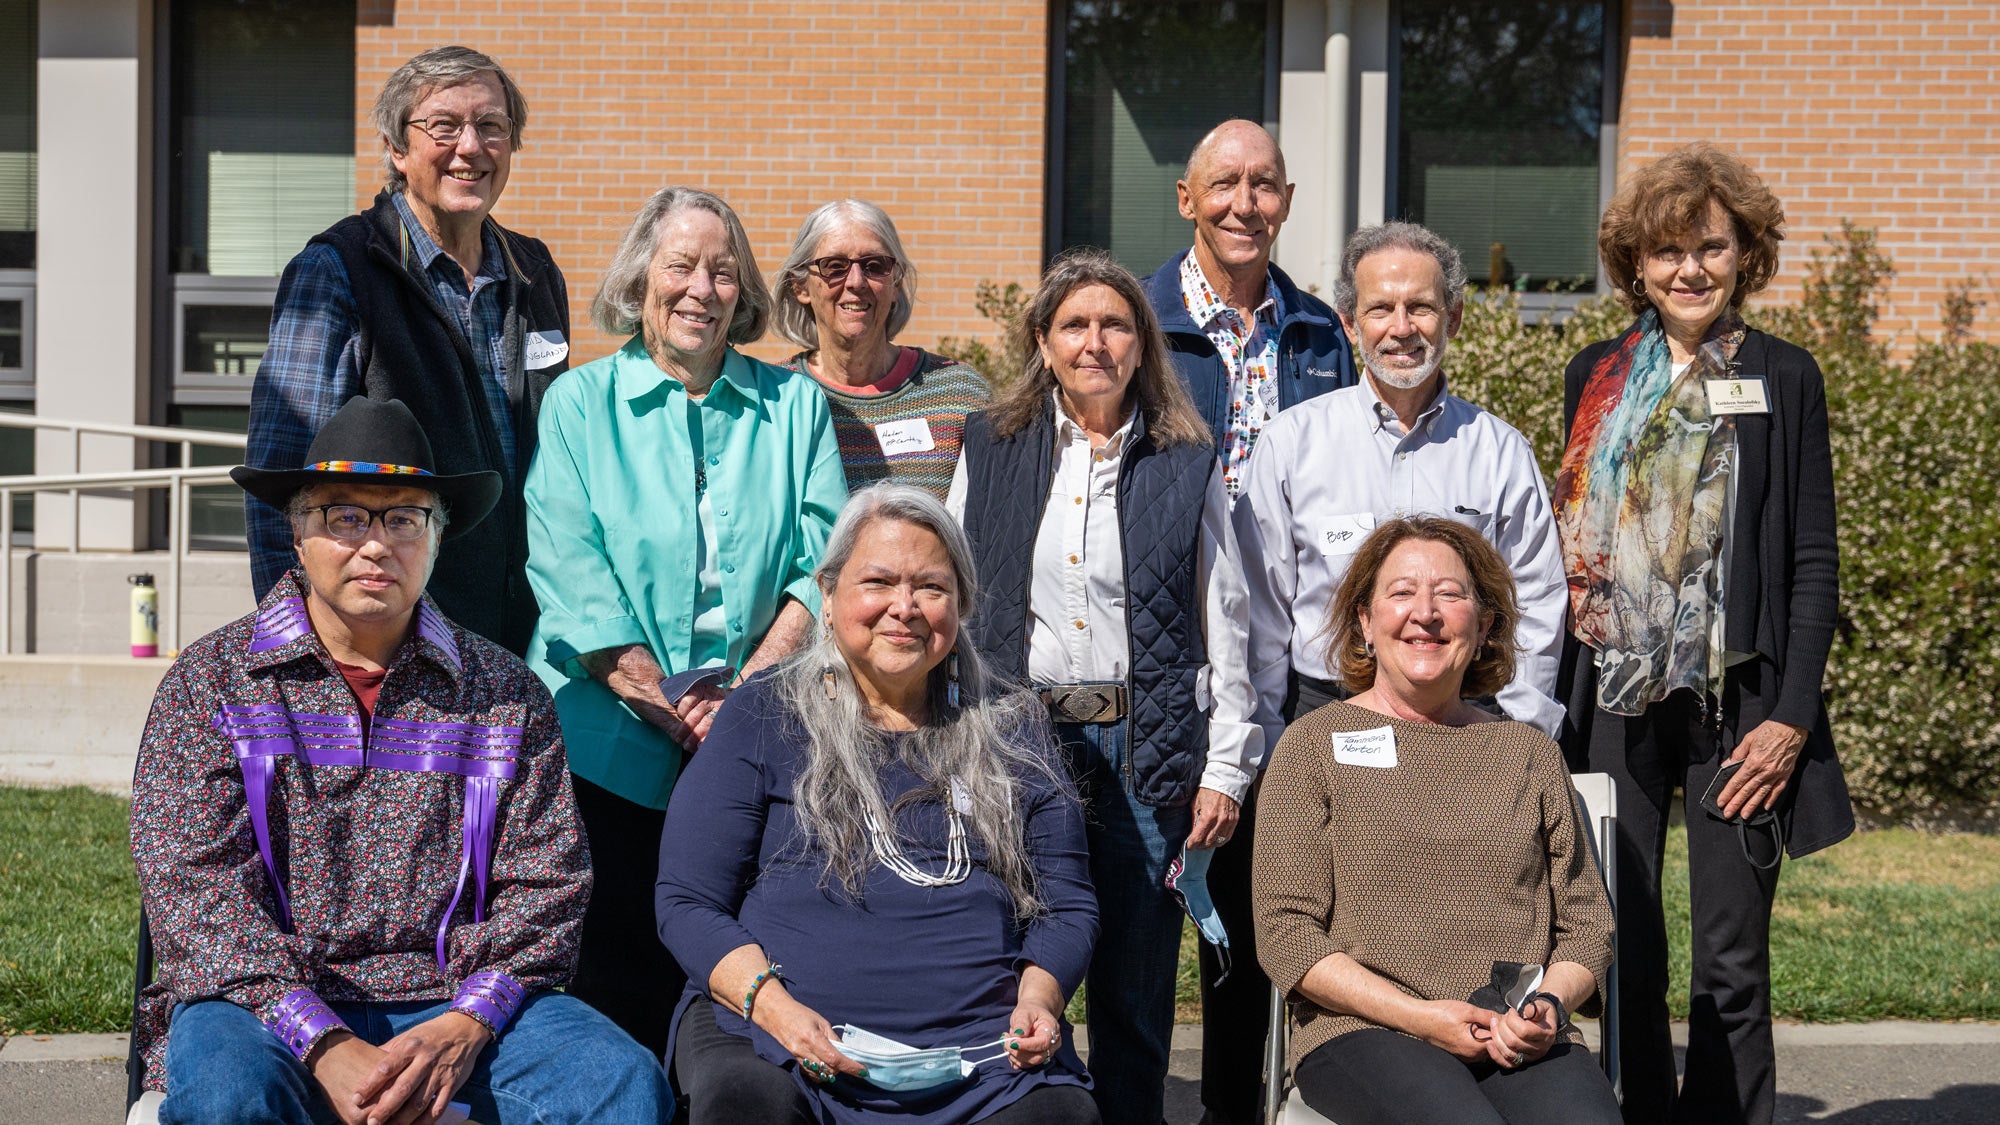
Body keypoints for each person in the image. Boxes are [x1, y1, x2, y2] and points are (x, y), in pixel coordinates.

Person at [130, 396, 668, 1124]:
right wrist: (319, 1038)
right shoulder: (211, 683)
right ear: (297, 533)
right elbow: (194, 892)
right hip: (261, 1004)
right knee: (229, 1097)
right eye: (344, 515)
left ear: (437, 539)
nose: (375, 545)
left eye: (403, 518)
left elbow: (548, 884)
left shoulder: (507, 694)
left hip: (459, 1003)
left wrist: (465, 1024)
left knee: (622, 1082)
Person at [1555, 142, 1853, 1125]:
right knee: (1621, 944)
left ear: (1745, 255)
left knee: (1730, 956)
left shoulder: (1782, 377)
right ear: (1633, 265)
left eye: (1710, 248)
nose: (1688, 269)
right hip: (1615, 696)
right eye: (1665, 251)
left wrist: (1791, 719)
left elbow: (1810, 562)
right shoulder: (1592, 377)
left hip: (1739, 708)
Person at [657, 483, 1101, 1125]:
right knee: (743, 1106)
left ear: (961, 605)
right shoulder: (762, 714)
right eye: (879, 582)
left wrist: (1040, 996)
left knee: (1061, 1118)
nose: (905, 607)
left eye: (931, 587)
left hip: (979, 1058)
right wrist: (779, 1012)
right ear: (829, 596)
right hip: (781, 1039)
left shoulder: (1012, 723)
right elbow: (687, 900)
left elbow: (1067, 904)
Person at [522, 185, 847, 1058]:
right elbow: (569, 572)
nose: (702, 287)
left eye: (724, 270)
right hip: (604, 742)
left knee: (737, 984)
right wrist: (667, 699)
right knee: (611, 978)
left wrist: (738, 703)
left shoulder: (795, 406)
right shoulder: (579, 405)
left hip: (758, 736)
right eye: (681, 265)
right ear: (640, 279)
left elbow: (824, 568)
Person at [947, 250, 1261, 1125]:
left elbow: (1225, 621)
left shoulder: (1186, 458)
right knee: (1015, 970)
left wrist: (1225, 767)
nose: (1096, 342)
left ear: (1142, 343)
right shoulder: (990, 445)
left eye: (1116, 324)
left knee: (1134, 987)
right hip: (1019, 740)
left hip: (1144, 742)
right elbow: (964, 606)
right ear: (1042, 342)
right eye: (1075, 325)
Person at [1253, 516, 1620, 1125]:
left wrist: (1549, 1005)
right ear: (1365, 623)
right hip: (1362, 1030)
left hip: (1511, 1029)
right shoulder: (1312, 746)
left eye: (1450, 594)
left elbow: (1586, 923)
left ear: (1483, 628)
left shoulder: (1527, 753)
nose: (1425, 613)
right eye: (1401, 593)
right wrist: (1423, 1018)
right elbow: (1287, 935)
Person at [1140, 120, 1356, 1123]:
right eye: (1221, 183)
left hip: (1290, 654)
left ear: (1286, 198)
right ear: (1185, 199)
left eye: (1262, 185)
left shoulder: (1319, 333)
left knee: (1261, 906)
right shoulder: (1134, 322)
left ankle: (1235, 1106)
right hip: (1159, 642)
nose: (1243, 203)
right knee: (1142, 913)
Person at [245, 46, 569, 657]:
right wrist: (294, 650)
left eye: (492, 126)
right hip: (389, 644)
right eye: (443, 126)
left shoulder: (536, 272)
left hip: (527, 640)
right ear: (397, 148)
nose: (470, 147)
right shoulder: (339, 270)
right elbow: (284, 484)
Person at [1234, 220, 1568, 748]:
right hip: (1326, 712)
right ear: (1348, 323)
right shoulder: (1291, 444)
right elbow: (1261, 607)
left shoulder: (1500, 451)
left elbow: (1537, 597)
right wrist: (1269, 739)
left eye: (1421, 307)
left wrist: (1519, 732)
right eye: (1380, 309)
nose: (1401, 327)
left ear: (1452, 318)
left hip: (1464, 721)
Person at [772, 200, 991, 499]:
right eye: (834, 267)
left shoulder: (960, 393)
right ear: (801, 287)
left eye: (875, 266)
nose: (856, 282)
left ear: (896, 281)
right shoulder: (775, 399)